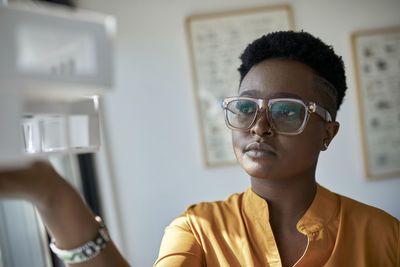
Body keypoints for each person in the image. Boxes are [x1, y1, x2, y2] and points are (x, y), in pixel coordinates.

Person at [0, 31, 398, 267]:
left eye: (286, 111)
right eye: (246, 107)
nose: (259, 126)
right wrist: (52, 193)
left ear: (328, 132)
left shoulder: (384, 237)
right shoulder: (199, 231)